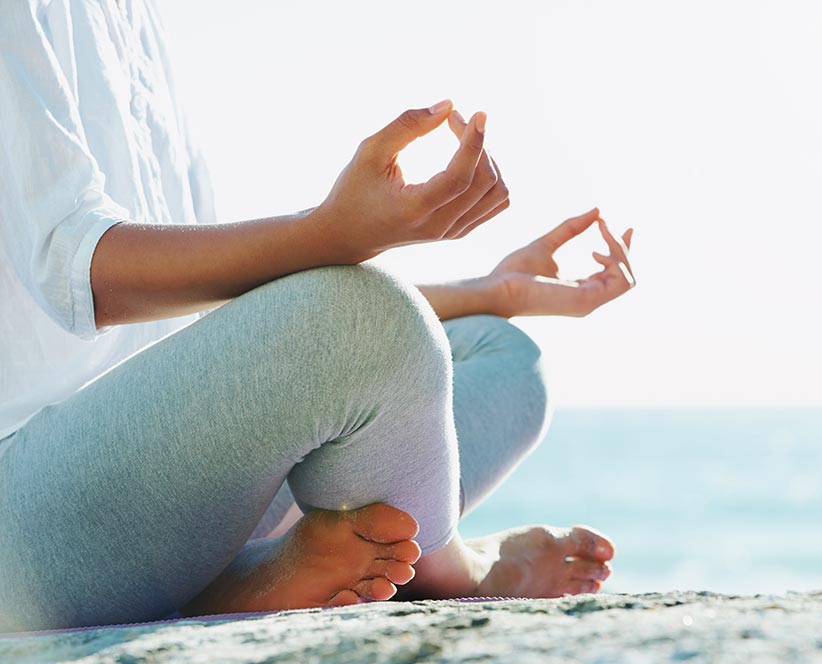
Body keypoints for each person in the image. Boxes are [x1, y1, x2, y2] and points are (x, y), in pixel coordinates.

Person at [0, 1, 635, 632]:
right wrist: (330, 233)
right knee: (369, 319)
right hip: (26, 517)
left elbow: (229, 321)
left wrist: (493, 291)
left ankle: (244, 574)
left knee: (499, 353)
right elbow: (76, 269)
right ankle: (447, 571)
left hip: (161, 481)